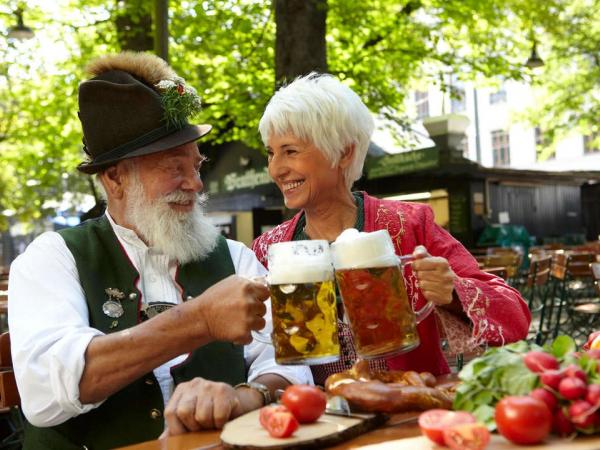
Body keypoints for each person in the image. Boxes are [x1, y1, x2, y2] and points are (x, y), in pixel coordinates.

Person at [8, 52, 311, 450]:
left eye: (197, 166)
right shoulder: (52, 258)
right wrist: (199, 319)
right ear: (115, 178)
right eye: (173, 168)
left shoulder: (235, 258)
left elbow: (290, 364)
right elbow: (48, 392)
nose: (195, 184)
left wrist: (247, 395)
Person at [252, 73, 531, 385]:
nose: (276, 168)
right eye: (270, 152)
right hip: (315, 423)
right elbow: (254, 354)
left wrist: (452, 293)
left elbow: (515, 315)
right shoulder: (267, 250)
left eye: (290, 151)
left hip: (410, 414)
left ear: (344, 152)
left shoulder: (410, 225)